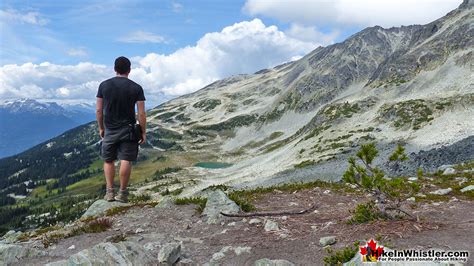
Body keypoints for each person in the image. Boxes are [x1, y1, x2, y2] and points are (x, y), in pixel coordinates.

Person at [96, 56, 146, 203]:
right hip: (129, 130)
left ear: (114, 69)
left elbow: (99, 110)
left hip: (110, 129)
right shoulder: (136, 87)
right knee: (126, 160)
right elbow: (141, 113)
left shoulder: (103, 85)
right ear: (129, 70)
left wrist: (101, 127)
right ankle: (123, 193)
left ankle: (109, 192)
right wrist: (143, 131)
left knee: (108, 160)